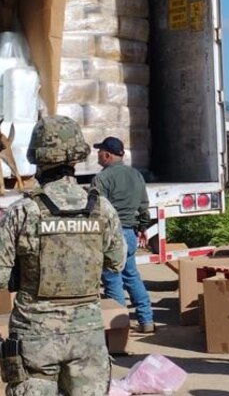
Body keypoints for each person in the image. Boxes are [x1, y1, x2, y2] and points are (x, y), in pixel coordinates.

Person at [0, 115, 126, 396]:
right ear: (77, 157)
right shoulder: (102, 208)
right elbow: (116, 263)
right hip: (87, 334)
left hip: (35, 334)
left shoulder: (22, 212)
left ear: (37, 158)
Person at [93, 136, 155, 334]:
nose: (97, 154)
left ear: (108, 155)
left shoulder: (102, 178)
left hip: (111, 235)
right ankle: (147, 321)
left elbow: (96, 210)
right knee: (131, 276)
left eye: (99, 151)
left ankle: (118, 329)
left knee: (112, 280)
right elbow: (144, 207)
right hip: (129, 233)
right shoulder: (136, 175)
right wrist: (142, 227)